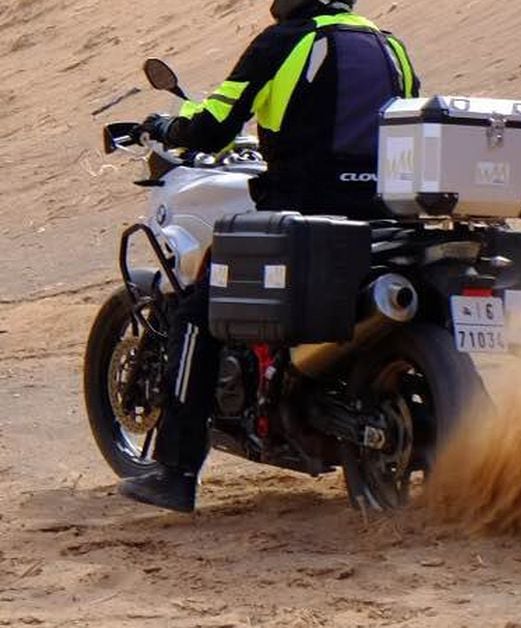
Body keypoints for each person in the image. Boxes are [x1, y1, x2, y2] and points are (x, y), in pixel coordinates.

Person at [118, 0, 420, 513]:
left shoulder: (284, 42)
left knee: (197, 313)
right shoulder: (390, 46)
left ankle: (175, 472)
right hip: (383, 219)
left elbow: (215, 123)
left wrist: (166, 127)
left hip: (300, 215)